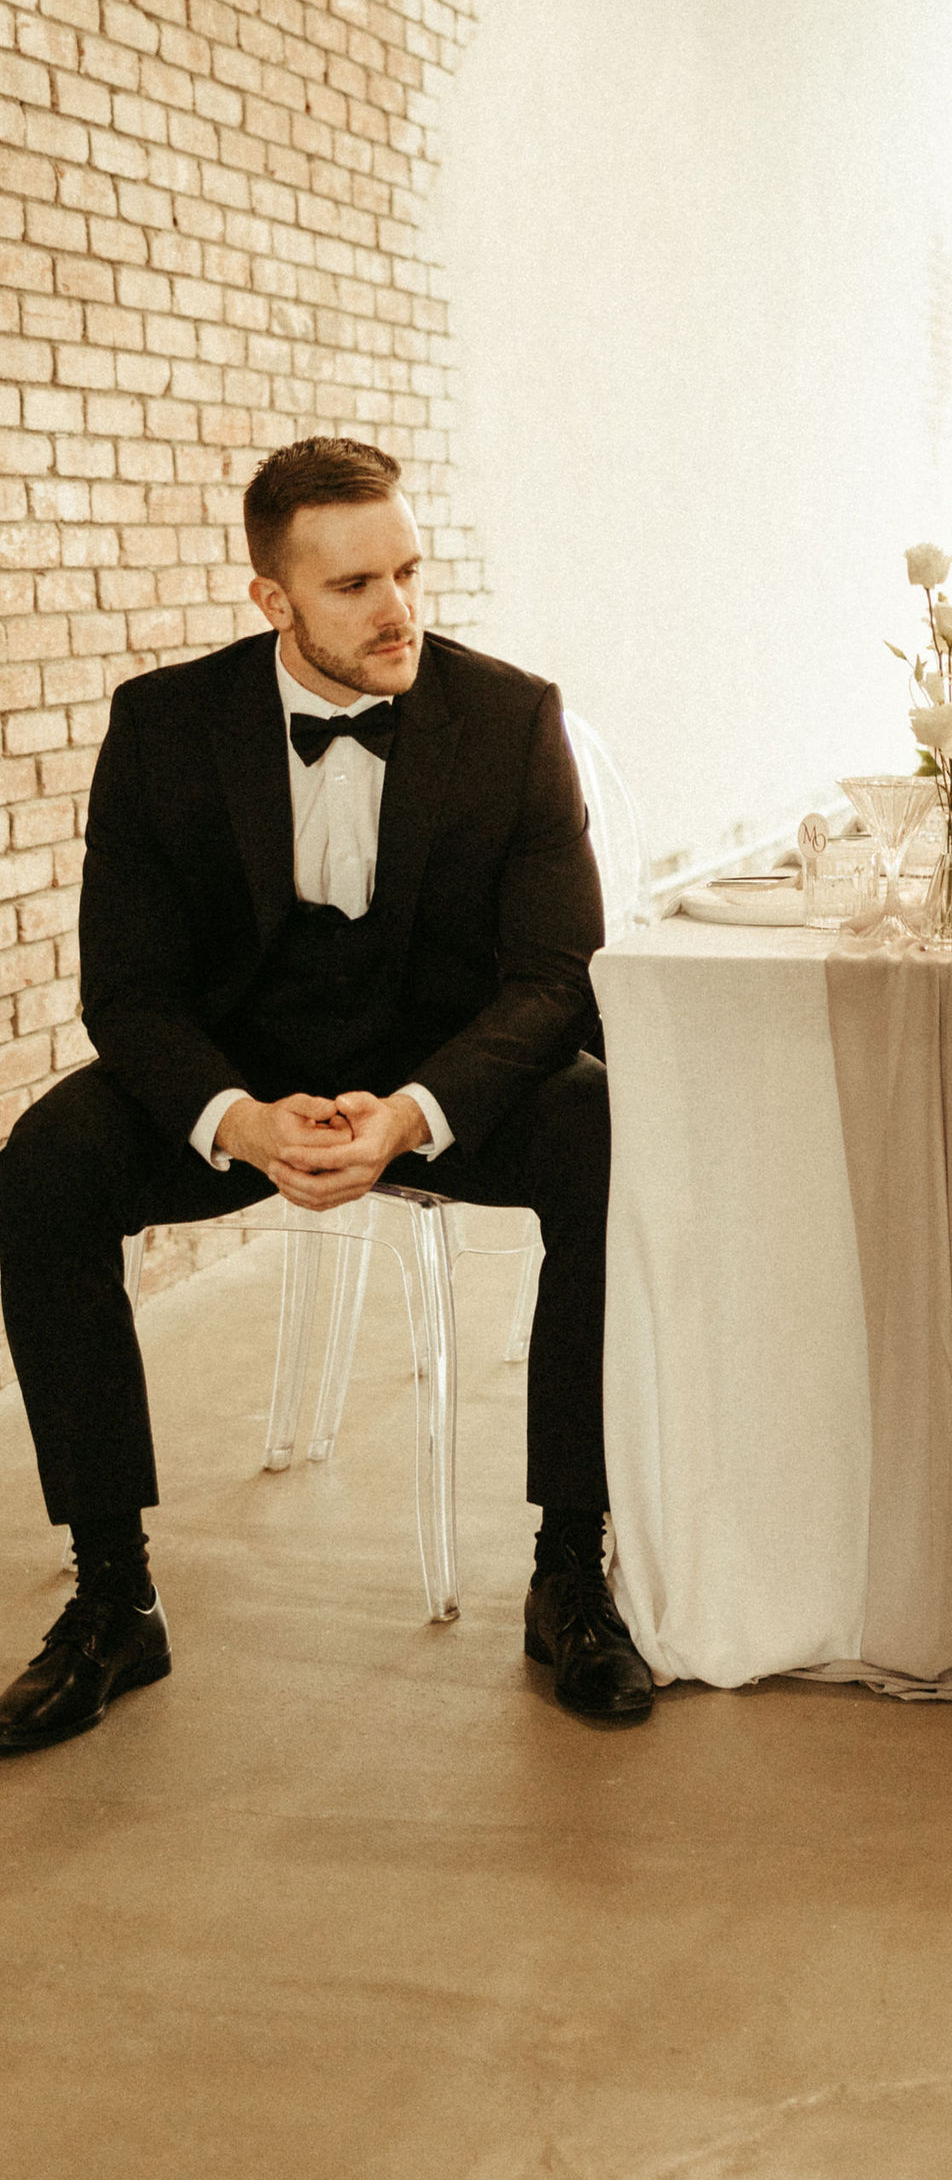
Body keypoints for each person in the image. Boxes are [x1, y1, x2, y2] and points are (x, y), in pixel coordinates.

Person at [0, 437, 654, 1750]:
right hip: (248, 1084)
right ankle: (115, 1597)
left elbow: (553, 976)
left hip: (442, 1081)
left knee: (606, 1134)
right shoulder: (164, 727)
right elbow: (128, 991)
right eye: (354, 585)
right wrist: (235, 1120)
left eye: (406, 570)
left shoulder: (512, 718)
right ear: (273, 599)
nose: (396, 607)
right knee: (47, 1160)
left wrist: (414, 1112)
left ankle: (569, 1573)